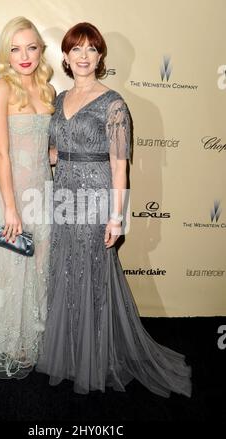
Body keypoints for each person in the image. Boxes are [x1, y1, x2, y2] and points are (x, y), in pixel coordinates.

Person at [36, 22, 192, 397]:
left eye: (91, 49)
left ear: (101, 56)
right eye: (76, 49)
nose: (84, 56)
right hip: (63, 196)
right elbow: (57, 150)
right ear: (67, 58)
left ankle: (97, 355)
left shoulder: (114, 104)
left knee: (92, 273)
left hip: (95, 197)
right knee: (65, 268)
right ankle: (70, 351)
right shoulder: (56, 100)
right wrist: (44, 156)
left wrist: (117, 216)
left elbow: (120, 165)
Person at [0, 16, 55, 379]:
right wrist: (9, 208)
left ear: (40, 50)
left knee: (39, 269)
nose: (24, 55)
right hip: (10, 192)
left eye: (31, 47)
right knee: (11, 271)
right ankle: (10, 347)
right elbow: (2, 154)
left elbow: (44, 149)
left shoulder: (47, 89)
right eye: (16, 48)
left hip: (43, 191)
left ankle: (34, 343)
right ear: (6, 52)